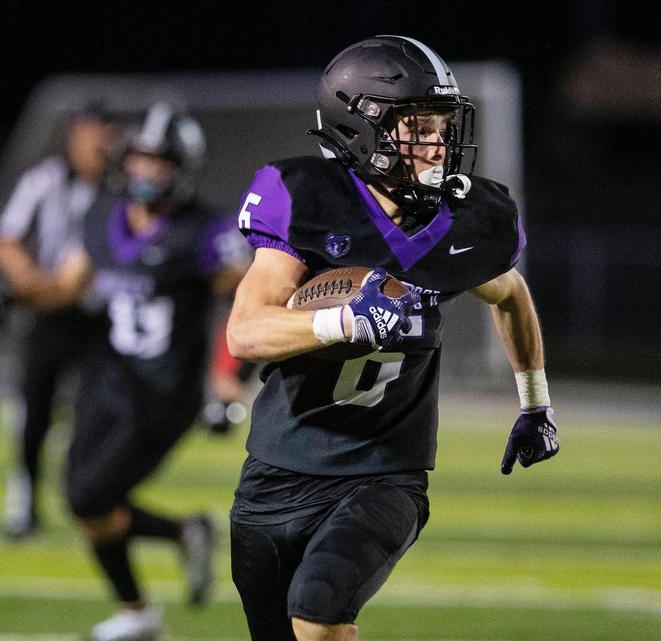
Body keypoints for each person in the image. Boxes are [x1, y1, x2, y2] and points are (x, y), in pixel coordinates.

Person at [225, 36, 560, 641]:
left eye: (442, 127)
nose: (438, 145)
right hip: (278, 468)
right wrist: (346, 320)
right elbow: (246, 331)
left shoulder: (463, 220)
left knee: (319, 616)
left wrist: (535, 402)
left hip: (386, 474)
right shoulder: (306, 198)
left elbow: (509, 292)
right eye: (418, 128)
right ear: (360, 128)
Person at [15, 102, 239, 641]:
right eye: (138, 158)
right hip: (108, 378)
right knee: (81, 499)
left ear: (181, 168)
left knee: (90, 496)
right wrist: (18, 297)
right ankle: (145, 599)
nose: (145, 171)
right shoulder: (102, 214)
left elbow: (247, 302)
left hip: (165, 392)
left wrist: (229, 378)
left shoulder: (206, 231)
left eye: (158, 161)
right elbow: (69, 285)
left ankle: (157, 583)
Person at [0, 104, 119, 540]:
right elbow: (6, 239)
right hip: (50, 313)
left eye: (108, 134)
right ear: (74, 136)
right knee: (35, 408)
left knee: (97, 411)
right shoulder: (44, 180)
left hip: (102, 314)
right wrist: (31, 283)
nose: (102, 144)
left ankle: (85, 495)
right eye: (94, 134)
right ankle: (23, 497)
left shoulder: (121, 187)